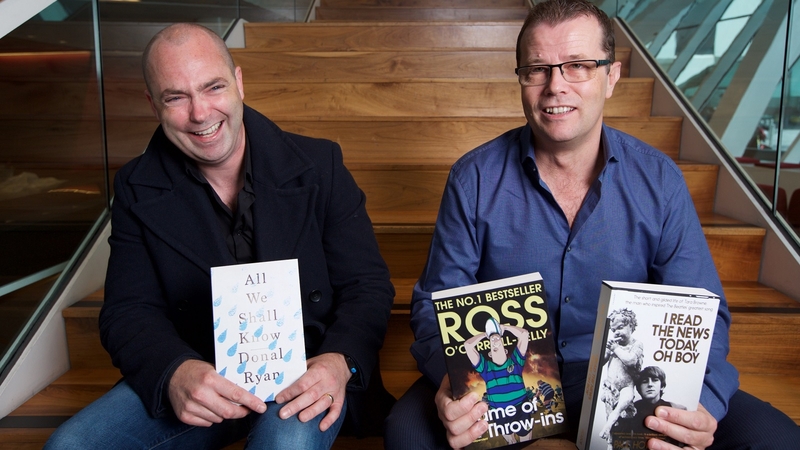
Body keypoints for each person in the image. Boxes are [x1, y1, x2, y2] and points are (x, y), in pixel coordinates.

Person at [384, 1, 800, 449]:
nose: (555, 87)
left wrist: (705, 406)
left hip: (624, 378)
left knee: (776, 439)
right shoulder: (474, 178)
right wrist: (453, 380)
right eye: (537, 69)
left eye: (578, 66)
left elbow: (703, 308)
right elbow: (434, 302)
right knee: (406, 433)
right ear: (521, 79)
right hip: (513, 383)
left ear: (612, 77)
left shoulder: (658, 180)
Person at [45, 23, 395, 449]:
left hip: (304, 371)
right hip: (199, 373)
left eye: (212, 87)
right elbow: (127, 310)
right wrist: (173, 372)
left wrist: (340, 362)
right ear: (153, 104)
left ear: (239, 83)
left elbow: (367, 285)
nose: (200, 113)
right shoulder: (136, 185)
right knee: (71, 445)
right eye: (176, 97)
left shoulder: (322, 164)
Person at [463, 320, 531, 445]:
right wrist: (487, 335)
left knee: (526, 440)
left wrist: (504, 327)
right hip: (499, 412)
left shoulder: (515, 361)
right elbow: (468, 345)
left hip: (521, 407)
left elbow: (524, 334)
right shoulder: (486, 368)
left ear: (506, 351)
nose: (494, 342)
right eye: (491, 344)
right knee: (510, 441)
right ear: (489, 353)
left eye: (498, 341)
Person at [611, 366, 686, 449]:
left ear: (662, 386)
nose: (650, 384)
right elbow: (619, 442)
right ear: (639, 389)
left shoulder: (676, 409)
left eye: (655, 380)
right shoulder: (629, 411)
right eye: (645, 381)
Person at [598, 309, 643, 444]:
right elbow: (600, 363)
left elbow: (630, 360)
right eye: (613, 330)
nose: (616, 332)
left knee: (625, 400)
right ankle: (610, 442)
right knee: (609, 414)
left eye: (620, 327)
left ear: (631, 326)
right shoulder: (612, 346)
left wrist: (616, 349)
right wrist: (606, 351)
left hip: (626, 385)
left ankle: (611, 424)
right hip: (611, 387)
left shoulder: (636, 344)